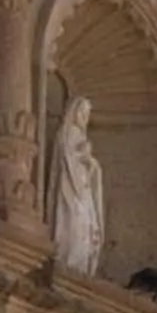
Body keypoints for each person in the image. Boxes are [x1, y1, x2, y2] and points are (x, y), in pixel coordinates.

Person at [47, 93, 105, 275]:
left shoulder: (80, 136)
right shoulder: (67, 132)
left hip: (83, 189)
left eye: (87, 113)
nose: (84, 117)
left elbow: (89, 166)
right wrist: (83, 156)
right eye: (82, 111)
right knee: (73, 223)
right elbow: (66, 160)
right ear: (74, 111)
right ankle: (68, 261)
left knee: (86, 227)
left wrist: (92, 164)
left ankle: (79, 266)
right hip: (70, 187)